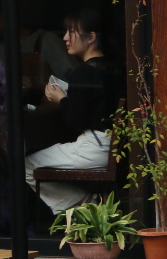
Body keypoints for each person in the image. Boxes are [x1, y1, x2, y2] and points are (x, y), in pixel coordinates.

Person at [24, 11, 124, 213]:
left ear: (92, 37)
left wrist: (61, 99)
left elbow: (76, 121)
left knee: (24, 165)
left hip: (95, 148)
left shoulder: (83, 73)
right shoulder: (115, 69)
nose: (65, 38)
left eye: (71, 33)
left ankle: (85, 204)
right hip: (114, 147)